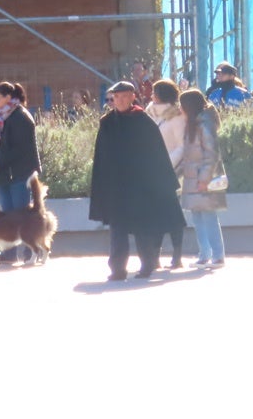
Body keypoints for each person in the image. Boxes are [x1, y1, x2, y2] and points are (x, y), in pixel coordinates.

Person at [88, 80, 186, 280]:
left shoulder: (143, 121)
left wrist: (156, 183)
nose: (120, 100)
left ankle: (147, 265)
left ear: (133, 97)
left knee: (143, 228)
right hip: (117, 186)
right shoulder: (107, 122)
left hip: (139, 186)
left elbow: (156, 155)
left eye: (125, 96)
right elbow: (101, 156)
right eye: (116, 97)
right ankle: (117, 269)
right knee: (117, 229)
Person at [0, 81, 41, 264]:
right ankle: (9, 252)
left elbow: (20, 149)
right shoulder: (1, 116)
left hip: (19, 173)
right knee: (7, 216)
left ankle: (28, 252)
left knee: (21, 215)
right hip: (3, 174)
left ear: (8, 97)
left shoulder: (20, 117)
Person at [176, 89, 228, 268]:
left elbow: (211, 153)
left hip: (202, 179)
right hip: (193, 179)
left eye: (181, 105)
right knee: (198, 217)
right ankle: (205, 254)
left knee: (208, 217)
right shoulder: (194, 124)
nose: (179, 109)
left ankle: (218, 255)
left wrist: (204, 178)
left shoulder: (204, 125)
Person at [145, 79, 187, 268]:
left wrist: (166, 164)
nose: (151, 95)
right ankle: (154, 257)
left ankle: (176, 255)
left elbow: (182, 146)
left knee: (172, 215)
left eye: (155, 92)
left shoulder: (176, 116)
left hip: (169, 172)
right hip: (150, 171)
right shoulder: (148, 114)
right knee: (153, 215)